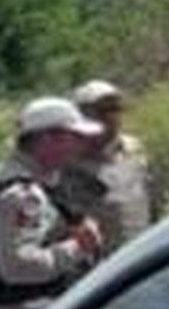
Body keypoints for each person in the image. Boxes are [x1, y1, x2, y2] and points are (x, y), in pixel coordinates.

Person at [0, 97, 105, 309]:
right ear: (47, 139)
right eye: (74, 137)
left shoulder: (31, 182)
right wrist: (79, 246)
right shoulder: (21, 194)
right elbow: (18, 267)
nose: (80, 145)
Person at [65, 80, 155, 254]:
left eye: (115, 108)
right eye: (101, 110)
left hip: (139, 251)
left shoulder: (134, 149)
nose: (111, 116)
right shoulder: (65, 158)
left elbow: (152, 198)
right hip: (92, 261)